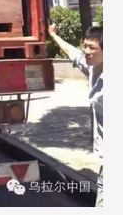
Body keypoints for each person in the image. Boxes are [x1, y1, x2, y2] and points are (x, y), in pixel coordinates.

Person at [49, 24, 103, 207]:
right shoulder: (93, 69)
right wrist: (53, 35)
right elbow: (73, 53)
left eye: (92, 48)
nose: (86, 51)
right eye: (85, 45)